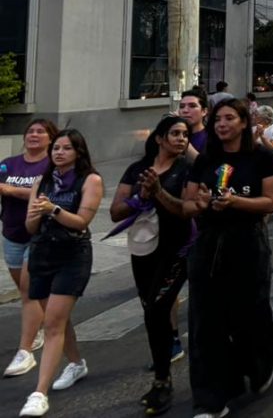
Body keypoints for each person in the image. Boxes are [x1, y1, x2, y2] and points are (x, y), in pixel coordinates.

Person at [181, 100, 273, 418]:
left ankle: (259, 364)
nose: (222, 124)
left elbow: (270, 202)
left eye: (229, 118)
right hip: (208, 246)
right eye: (217, 119)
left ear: (242, 122)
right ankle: (210, 400)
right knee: (205, 324)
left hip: (248, 244)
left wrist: (235, 201)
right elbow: (188, 205)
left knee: (250, 316)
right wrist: (203, 202)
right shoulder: (206, 158)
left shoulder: (261, 157)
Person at [110, 115, 195, 416]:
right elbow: (115, 212)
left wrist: (159, 192)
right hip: (143, 250)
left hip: (177, 252)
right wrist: (140, 197)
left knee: (158, 310)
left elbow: (186, 210)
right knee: (151, 314)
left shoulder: (187, 169)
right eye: (174, 133)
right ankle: (162, 376)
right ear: (159, 138)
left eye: (185, 134)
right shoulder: (137, 170)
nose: (181, 138)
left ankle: (162, 381)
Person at [19, 130, 104, 418]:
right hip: (42, 253)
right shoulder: (41, 182)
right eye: (56, 148)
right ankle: (76, 363)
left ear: (78, 152)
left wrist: (52, 209)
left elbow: (81, 222)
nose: (59, 153)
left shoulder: (90, 180)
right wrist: (34, 215)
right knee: (57, 318)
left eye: (66, 148)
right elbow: (30, 228)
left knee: (52, 323)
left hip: (73, 254)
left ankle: (39, 393)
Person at [1, 119, 57, 379]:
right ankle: (42, 325)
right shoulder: (9, 163)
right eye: (30, 131)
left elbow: (45, 195)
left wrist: (12, 190)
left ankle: (25, 351)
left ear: (50, 138)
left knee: (28, 289)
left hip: (41, 235)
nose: (34, 135)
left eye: (40, 132)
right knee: (24, 288)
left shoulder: (51, 166)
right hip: (12, 233)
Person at [178, 91, 209, 160]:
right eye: (182, 106)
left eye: (192, 106)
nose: (185, 110)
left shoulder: (214, 138)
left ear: (204, 111)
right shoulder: (171, 135)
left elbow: (227, 168)